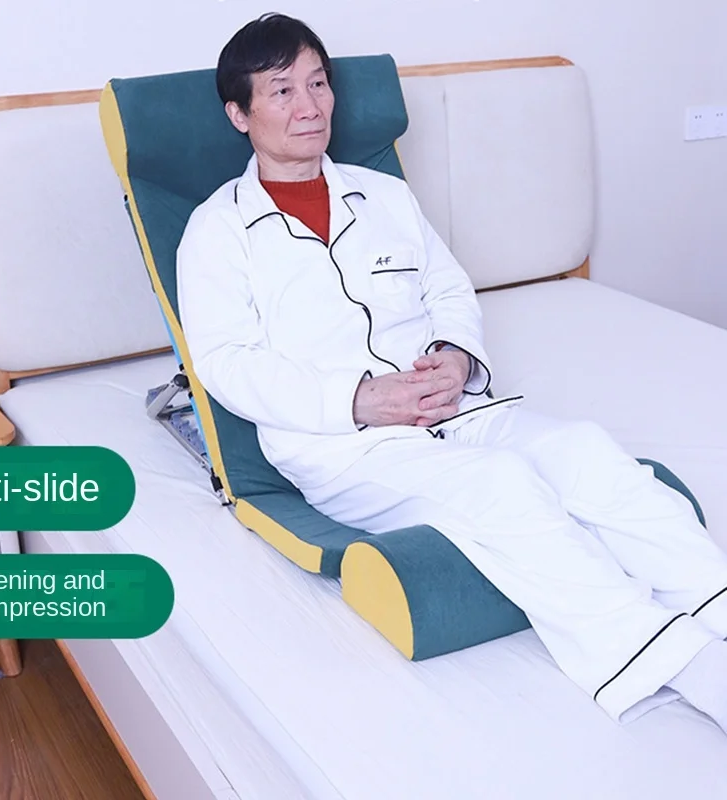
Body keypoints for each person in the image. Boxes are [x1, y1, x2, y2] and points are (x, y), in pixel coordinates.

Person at [177, 12, 727, 730]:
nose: (309, 106)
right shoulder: (216, 231)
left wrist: (458, 357)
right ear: (239, 114)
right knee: (501, 487)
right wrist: (360, 400)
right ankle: (687, 667)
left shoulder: (383, 196)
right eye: (282, 91)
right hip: (345, 447)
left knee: (585, 450)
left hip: (456, 408)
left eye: (318, 83)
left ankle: (716, 600)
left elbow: (448, 289)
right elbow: (226, 363)